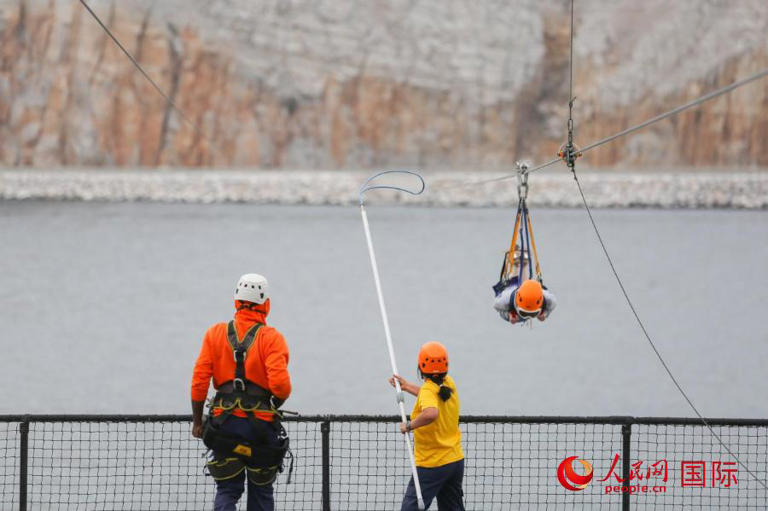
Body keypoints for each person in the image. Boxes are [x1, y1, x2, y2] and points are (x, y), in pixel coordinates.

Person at [191, 273, 292, 511]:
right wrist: (272, 404)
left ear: (236, 302)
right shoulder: (271, 339)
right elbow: (281, 387)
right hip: (261, 427)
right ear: (266, 304)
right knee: (261, 491)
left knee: (227, 489)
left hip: (224, 425)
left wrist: (197, 422)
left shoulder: (215, 334)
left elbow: (198, 382)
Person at [389, 341, 465, 511]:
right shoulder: (448, 383)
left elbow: (431, 412)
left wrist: (409, 426)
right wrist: (407, 386)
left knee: (411, 507)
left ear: (421, 367)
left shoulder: (428, 390)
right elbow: (430, 395)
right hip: (454, 461)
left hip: (432, 464)